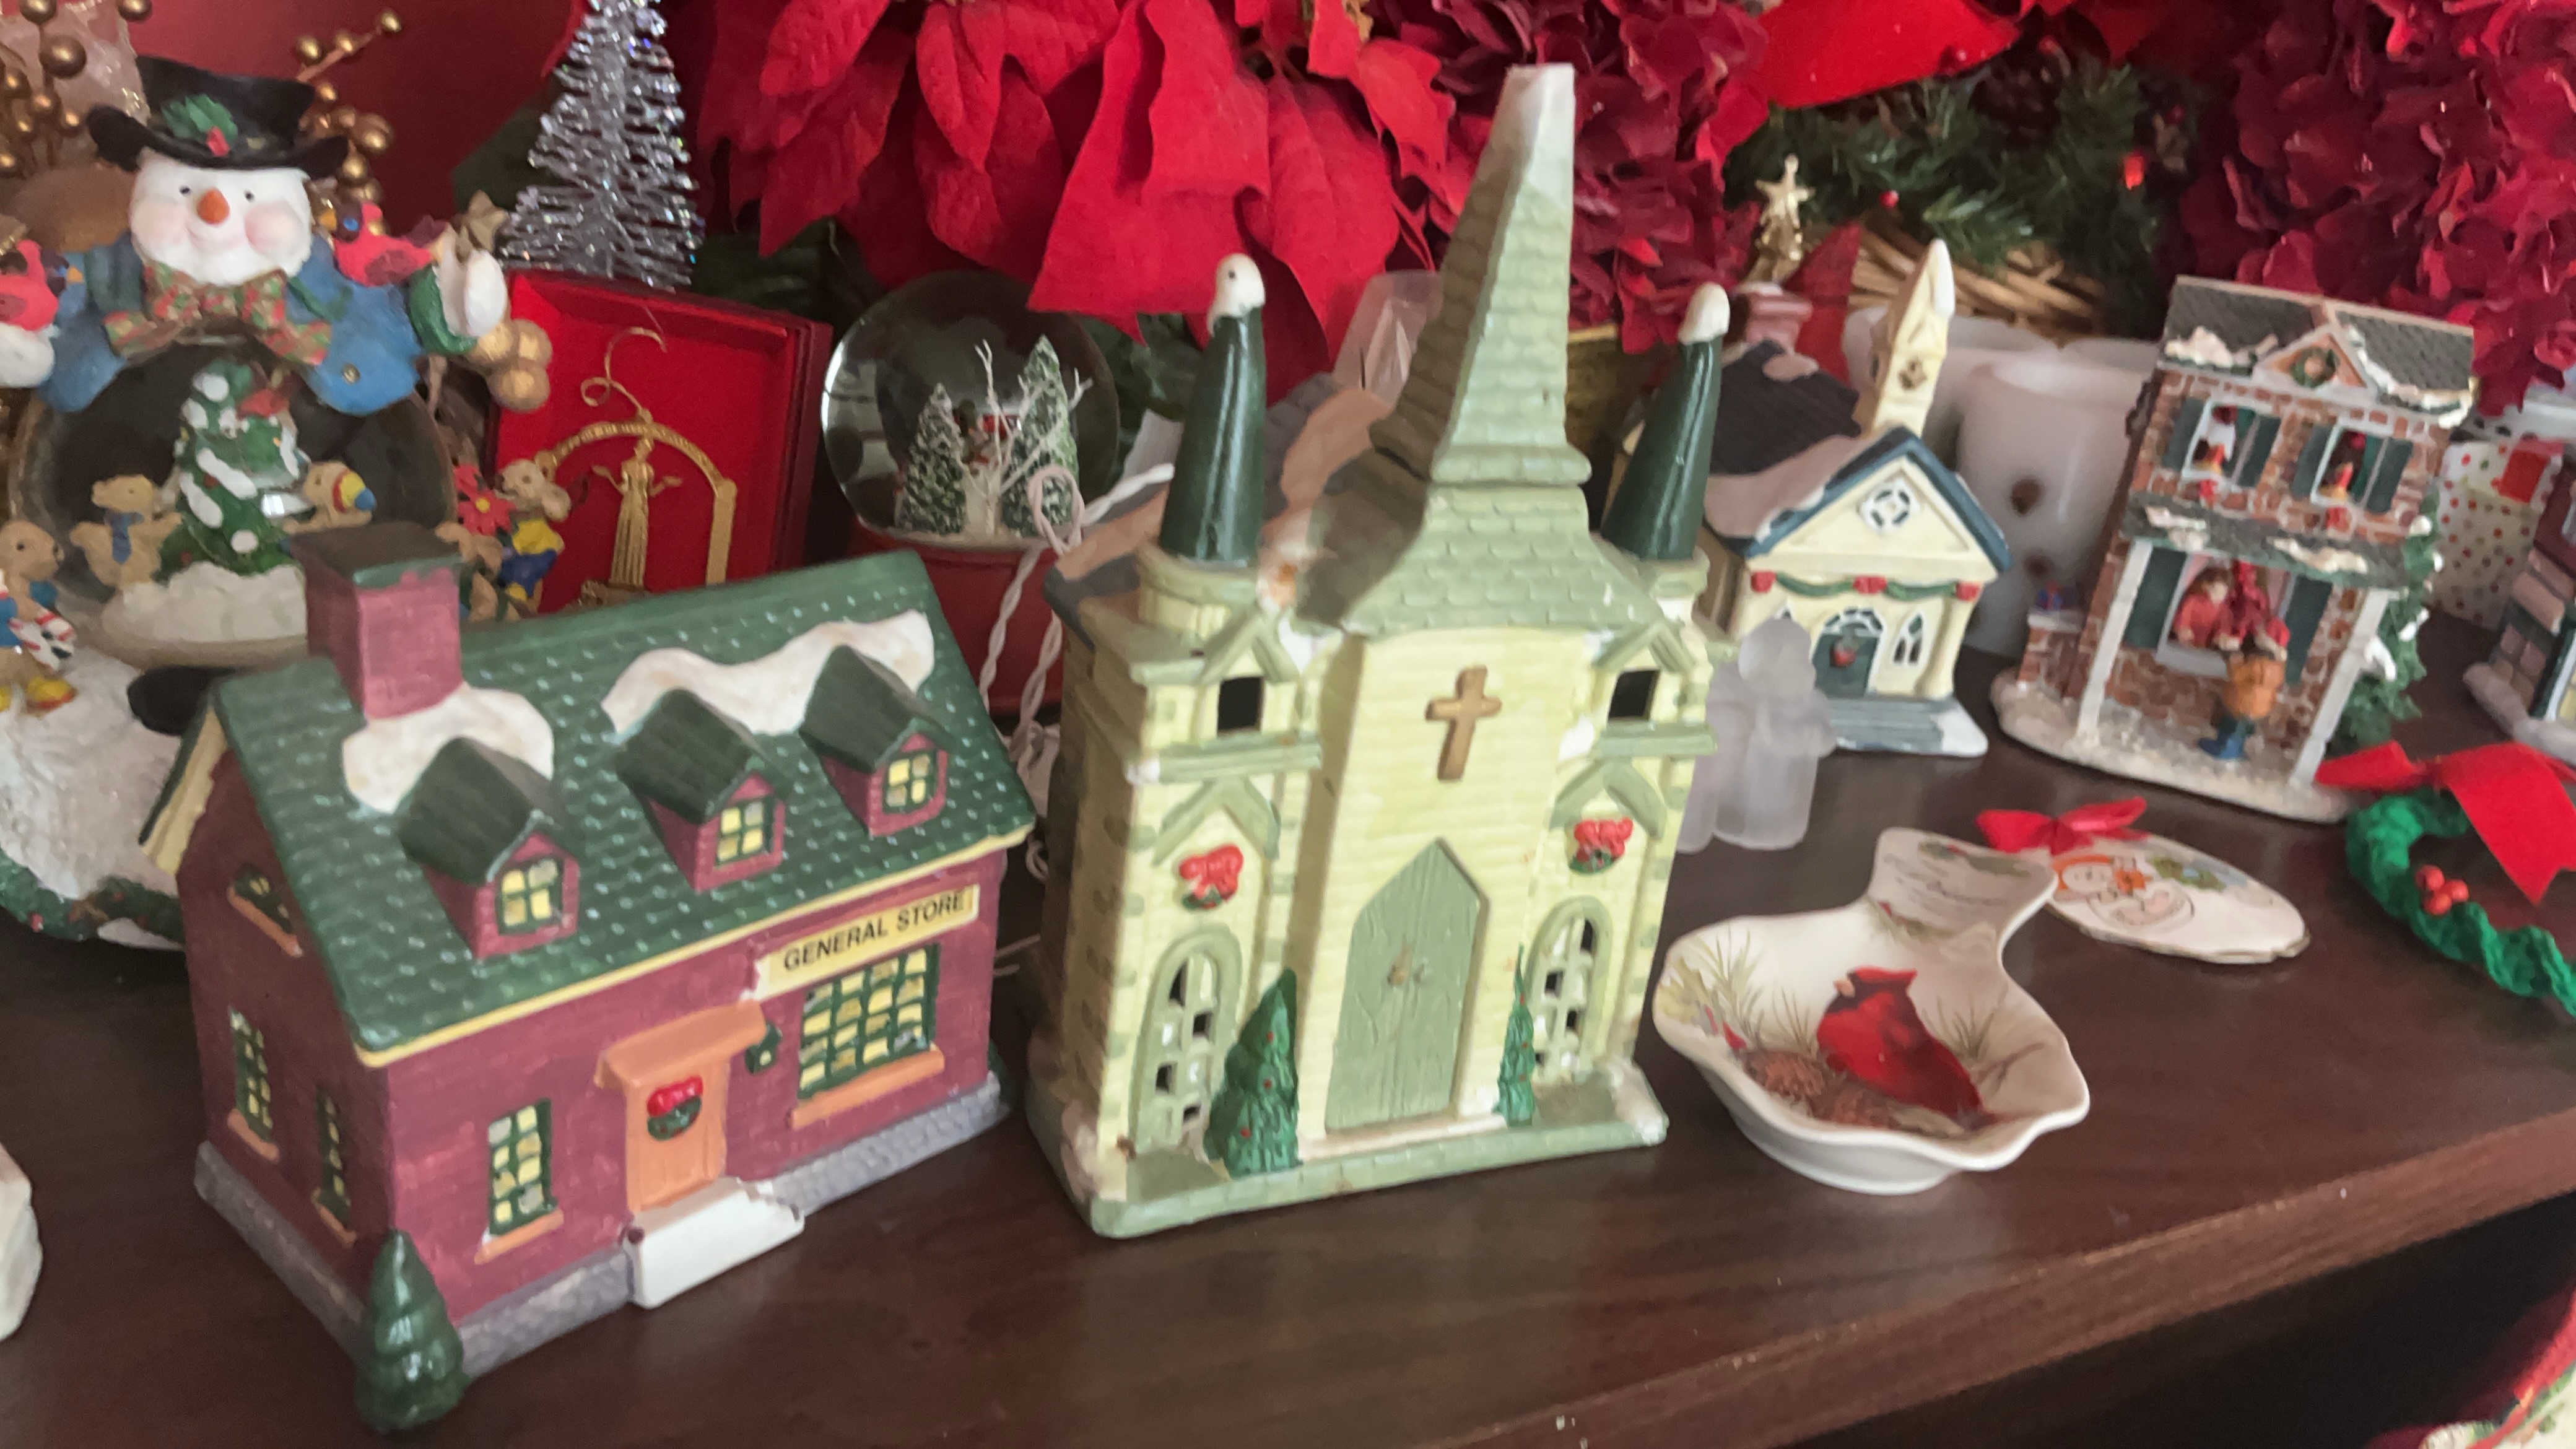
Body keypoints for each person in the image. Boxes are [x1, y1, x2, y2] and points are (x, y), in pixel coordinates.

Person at [2201, 619, 2290, 760]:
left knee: (2230, 726)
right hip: (2260, 707)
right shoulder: (2278, 666)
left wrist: (2233, 661)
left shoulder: (2256, 664)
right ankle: (2238, 749)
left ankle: (2224, 748)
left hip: (2241, 703)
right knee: (2243, 730)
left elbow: (2237, 675)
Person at [2169, 568, 2232, 648]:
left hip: (2203, 648)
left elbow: (2224, 628)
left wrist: (2222, 638)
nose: (2219, 596)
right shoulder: (2192, 601)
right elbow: (2181, 620)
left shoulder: (2224, 610)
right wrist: (2183, 630)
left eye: (2223, 593)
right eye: (2215, 590)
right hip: (2181, 645)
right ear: (2206, 586)